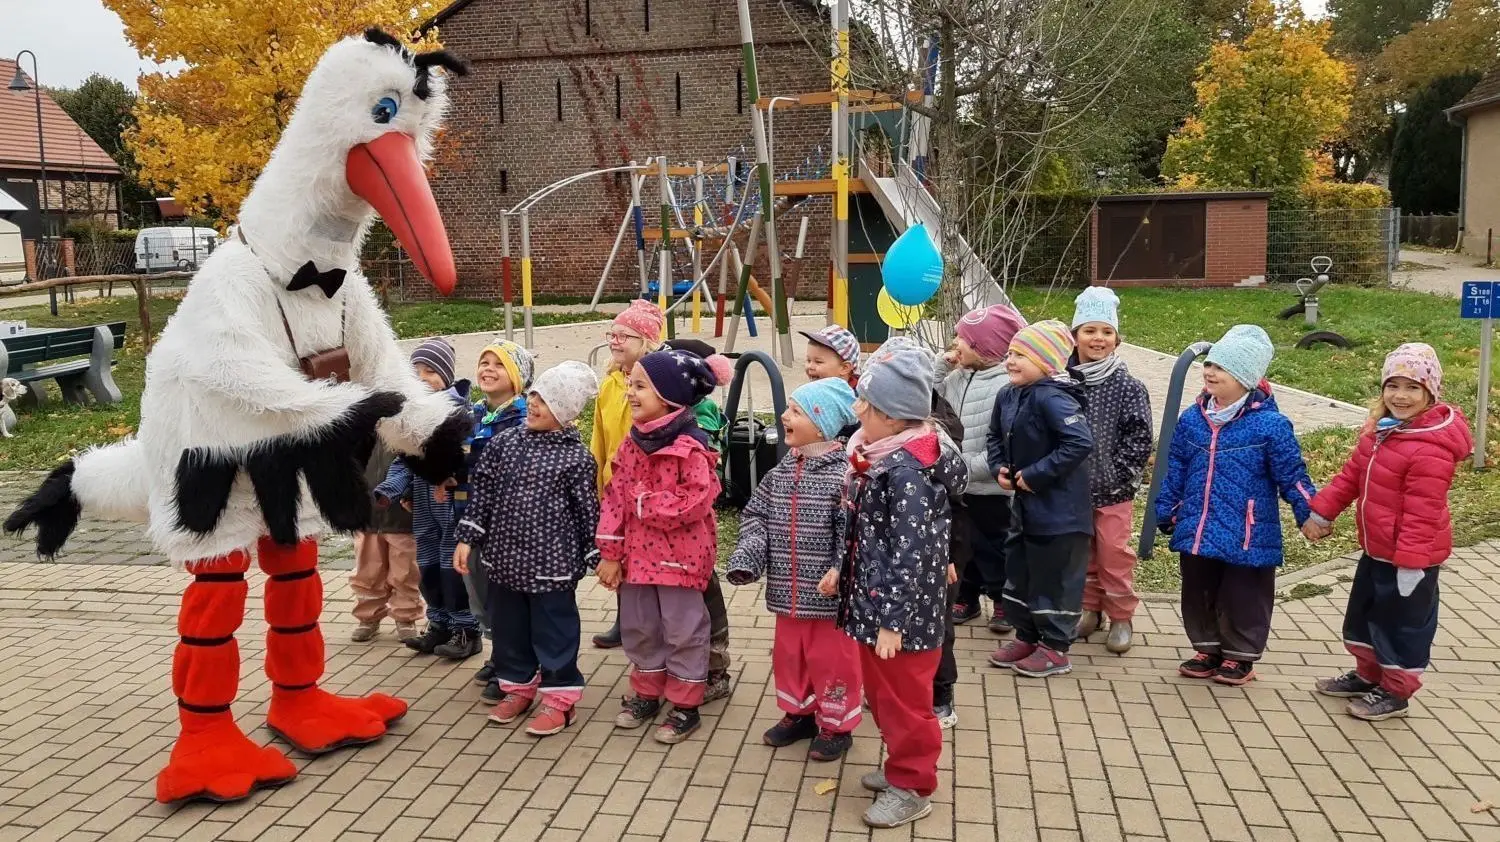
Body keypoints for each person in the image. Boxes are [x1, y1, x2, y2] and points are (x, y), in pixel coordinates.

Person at [822, 339, 966, 829]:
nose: (857, 405)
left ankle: (913, 784)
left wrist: (892, 623)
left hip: (901, 618)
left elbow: (910, 554)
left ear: (892, 416)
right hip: (874, 604)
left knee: (906, 705)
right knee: (883, 698)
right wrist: (840, 571)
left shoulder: (907, 472)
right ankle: (901, 768)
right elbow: (863, 530)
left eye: (865, 400)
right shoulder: (873, 456)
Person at [1304, 343, 1471, 720]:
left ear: (1430, 393)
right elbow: (1350, 479)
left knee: (1402, 626)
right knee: (1364, 616)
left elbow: (1422, 512)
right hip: (1378, 550)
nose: (1400, 395)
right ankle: (1368, 675)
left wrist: (1411, 564)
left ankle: (1396, 693)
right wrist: (1322, 513)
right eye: (1392, 385)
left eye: (1412, 387)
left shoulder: (1430, 448)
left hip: (1411, 559)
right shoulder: (1381, 433)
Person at [1154, 325, 1317, 686]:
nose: (1210, 372)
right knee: (1198, 586)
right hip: (1197, 522)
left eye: (1222, 368)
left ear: (1245, 378)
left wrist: (1310, 511)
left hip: (1247, 529)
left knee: (1244, 592)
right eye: (1210, 364)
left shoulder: (1270, 426)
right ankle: (1207, 647)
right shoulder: (1193, 418)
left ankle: (1240, 655)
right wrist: (1166, 507)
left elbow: (1292, 474)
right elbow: (1176, 464)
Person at [455, 361, 601, 736]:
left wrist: (597, 556)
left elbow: (588, 512)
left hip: (552, 568)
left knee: (555, 634)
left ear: (566, 412)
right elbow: (481, 494)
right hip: (503, 562)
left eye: (547, 401)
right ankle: (517, 686)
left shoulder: (577, 458)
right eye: (534, 395)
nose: (534, 404)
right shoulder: (504, 444)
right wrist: (467, 537)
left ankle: (560, 701)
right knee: (509, 631)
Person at [596, 349, 730, 744]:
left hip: (680, 562)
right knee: (640, 628)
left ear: (669, 396)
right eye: (630, 386)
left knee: (684, 630)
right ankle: (646, 693)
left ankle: (686, 703)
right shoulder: (632, 445)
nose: (631, 394)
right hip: (637, 560)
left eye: (640, 387)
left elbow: (694, 502)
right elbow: (614, 499)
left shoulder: (692, 447)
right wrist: (609, 552)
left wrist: (643, 502)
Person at [727, 378, 862, 761]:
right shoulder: (783, 472)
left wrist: (840, 569)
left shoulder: (843, 477)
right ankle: (799, 712)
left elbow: (851, 532)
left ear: (821, 423)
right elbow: (756, 515)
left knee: (833, 661)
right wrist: (749, 556)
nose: (784, 416)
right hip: (787, 594)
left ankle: (836, 724)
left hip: (827, 598)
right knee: (790, 656)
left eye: (796, 411)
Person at [986, 320, 1095, 679]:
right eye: (1010, 353)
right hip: (1024, 510)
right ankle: (1028, 636)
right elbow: (994, 436)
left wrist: (1035, 475)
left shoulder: (1054, 397)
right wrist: (1000, 466)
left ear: (1047, 361)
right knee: (1020, 572)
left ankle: (1056, 646)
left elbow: (1079, 443)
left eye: (1021, 355)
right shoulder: (1008, 394)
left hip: (1061, 514)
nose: (1011, 361)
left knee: (1055, 578)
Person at [377, 339, 484, 662]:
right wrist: (397, 490)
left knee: (453, 567)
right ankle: (438, 623)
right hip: (423, 503)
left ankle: (466, 630)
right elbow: (404, 459)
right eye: (417, 372)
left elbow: (467, 458)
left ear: (446, 376)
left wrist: (450, 477)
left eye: (431, 371)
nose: (423, 378)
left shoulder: (458, 413)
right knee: (428, 565)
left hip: (451, 501)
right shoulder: (412, 413)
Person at [1068, 288, 1152, 654]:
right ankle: (1090, 610)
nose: (1097, 339)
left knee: (1114, 555)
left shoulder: (1128, 386)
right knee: (1084, 554)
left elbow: (1140, 436)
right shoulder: (1064, 382)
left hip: (1113, 491)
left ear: (1117, 338)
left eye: (1105, 331)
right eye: (1089, 330)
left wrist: (1120, 475)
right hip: (1072, 489)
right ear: (1075, 336)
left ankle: (1121, 615)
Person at [940, 304, 1026, 639]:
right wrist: (939, 365)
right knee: (963, 545)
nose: (957, 345)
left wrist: (965, 468)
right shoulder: (957, 376)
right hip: (960, 486)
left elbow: (1000, 443)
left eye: (966, 341)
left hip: (989, 487)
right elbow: (931, 395)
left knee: (995, 547)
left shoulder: (1004, 385)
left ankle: (1003, 600)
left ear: (988, 349)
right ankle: (966, 596)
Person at [661, 338, 734, 702]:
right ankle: (679, 668)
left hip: (692, 533)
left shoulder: (697, 418)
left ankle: (715, 669)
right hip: (661, 539)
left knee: (705, 597)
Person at [590, 300, 665, 650]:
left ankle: (654, 623)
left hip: (646, 489)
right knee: (618, 553)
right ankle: (625, 619)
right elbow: (599, 436)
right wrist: (597, 480)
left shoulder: (659, 387)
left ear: (647, 342)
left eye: (625, 335)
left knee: (646, 556)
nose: (615, 341)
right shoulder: (608, 385)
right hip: (613, 486)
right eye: (612, 334)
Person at [463, 339, 535, 691]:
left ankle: (515, 661)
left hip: (503, 525)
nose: (488, 369)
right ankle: (498, 654)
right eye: (484, 362)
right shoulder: (473, 414)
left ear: (518, 378)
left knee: (503, 594)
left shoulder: (522, 420)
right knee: (478, 591)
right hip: (468, 518)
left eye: (499, 364)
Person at [348, 440, 422, 643]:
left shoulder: (408, 422)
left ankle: (406, 618)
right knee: (367, 571)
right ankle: (368, 617)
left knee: (405, 572)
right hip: (367, 514)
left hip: (402, 516)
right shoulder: (361, 423)